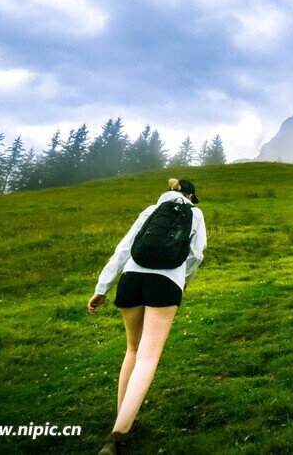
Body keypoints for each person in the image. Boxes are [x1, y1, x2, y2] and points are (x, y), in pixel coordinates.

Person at [87, 178, 207, 455]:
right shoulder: (195, 213)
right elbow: (196, 254)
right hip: (166, 283)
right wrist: (182, 281)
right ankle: (118, 435)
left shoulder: (151, 209)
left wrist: (101, 288)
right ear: (190, 195)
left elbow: (124, 248)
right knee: (148, 357)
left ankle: (124, 419)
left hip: (131, 278)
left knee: (132, 349)